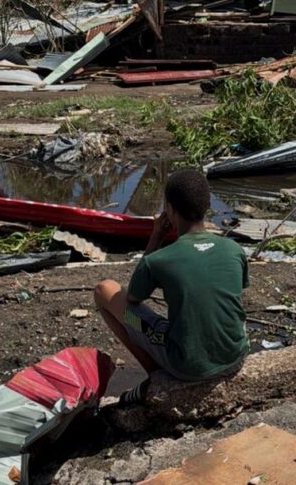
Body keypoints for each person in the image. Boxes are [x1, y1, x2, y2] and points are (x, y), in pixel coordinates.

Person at [94, 169, 249, 404]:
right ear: (206, 206)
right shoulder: (234, 250)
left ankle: (155, 374)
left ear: (170, 209)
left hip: (188, 364)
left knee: (104, 291)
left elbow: (133, 297)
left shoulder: (160, 259)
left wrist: (155, 237)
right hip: (235, 354)